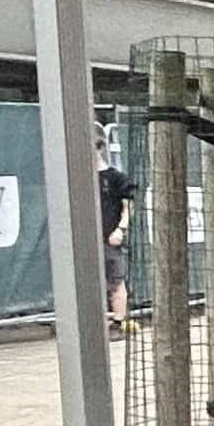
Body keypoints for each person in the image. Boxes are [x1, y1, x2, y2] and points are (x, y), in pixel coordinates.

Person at [97, 129, 131, 335]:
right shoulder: (78, 179)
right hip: (87, 240)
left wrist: (120, 229)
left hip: (110, 238)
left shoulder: (117, 178)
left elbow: (128, 207)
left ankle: (118, 324)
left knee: (116, 282)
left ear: (100, 148)